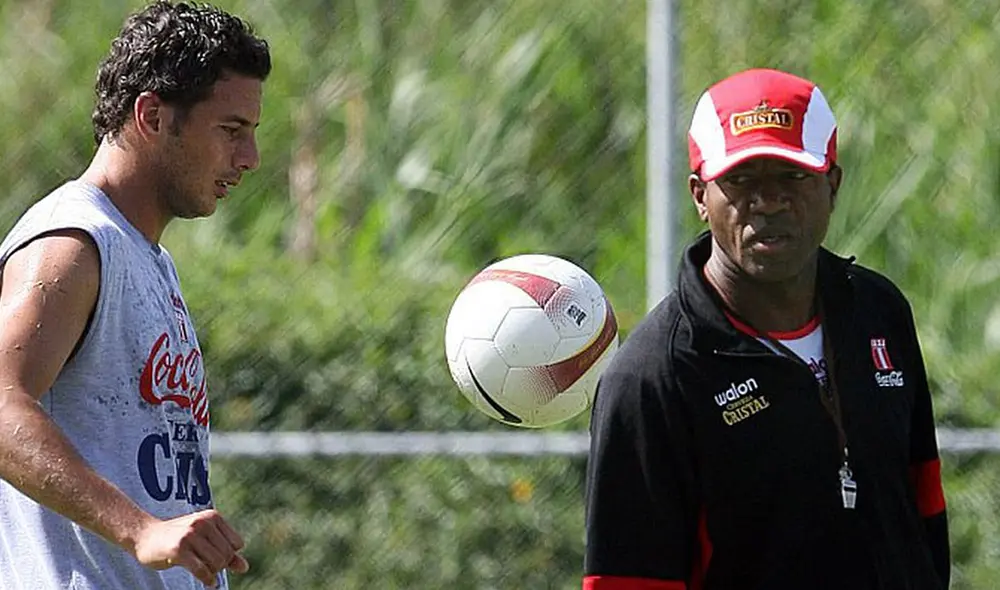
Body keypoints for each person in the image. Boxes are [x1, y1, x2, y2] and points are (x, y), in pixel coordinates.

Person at [583, 68, 949, 590]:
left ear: (833, 186)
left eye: (793, 176)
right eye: (741, 179)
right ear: (698, 196)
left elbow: (925, 510)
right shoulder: (651, 379)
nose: (769, 200)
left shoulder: (880, 312)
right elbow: (625, 581)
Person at [0, 2, 270, 588]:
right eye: (231, 131)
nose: (249, 159)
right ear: (151, 115)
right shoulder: (73, 241)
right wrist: (141, 529)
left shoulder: (147, 258)